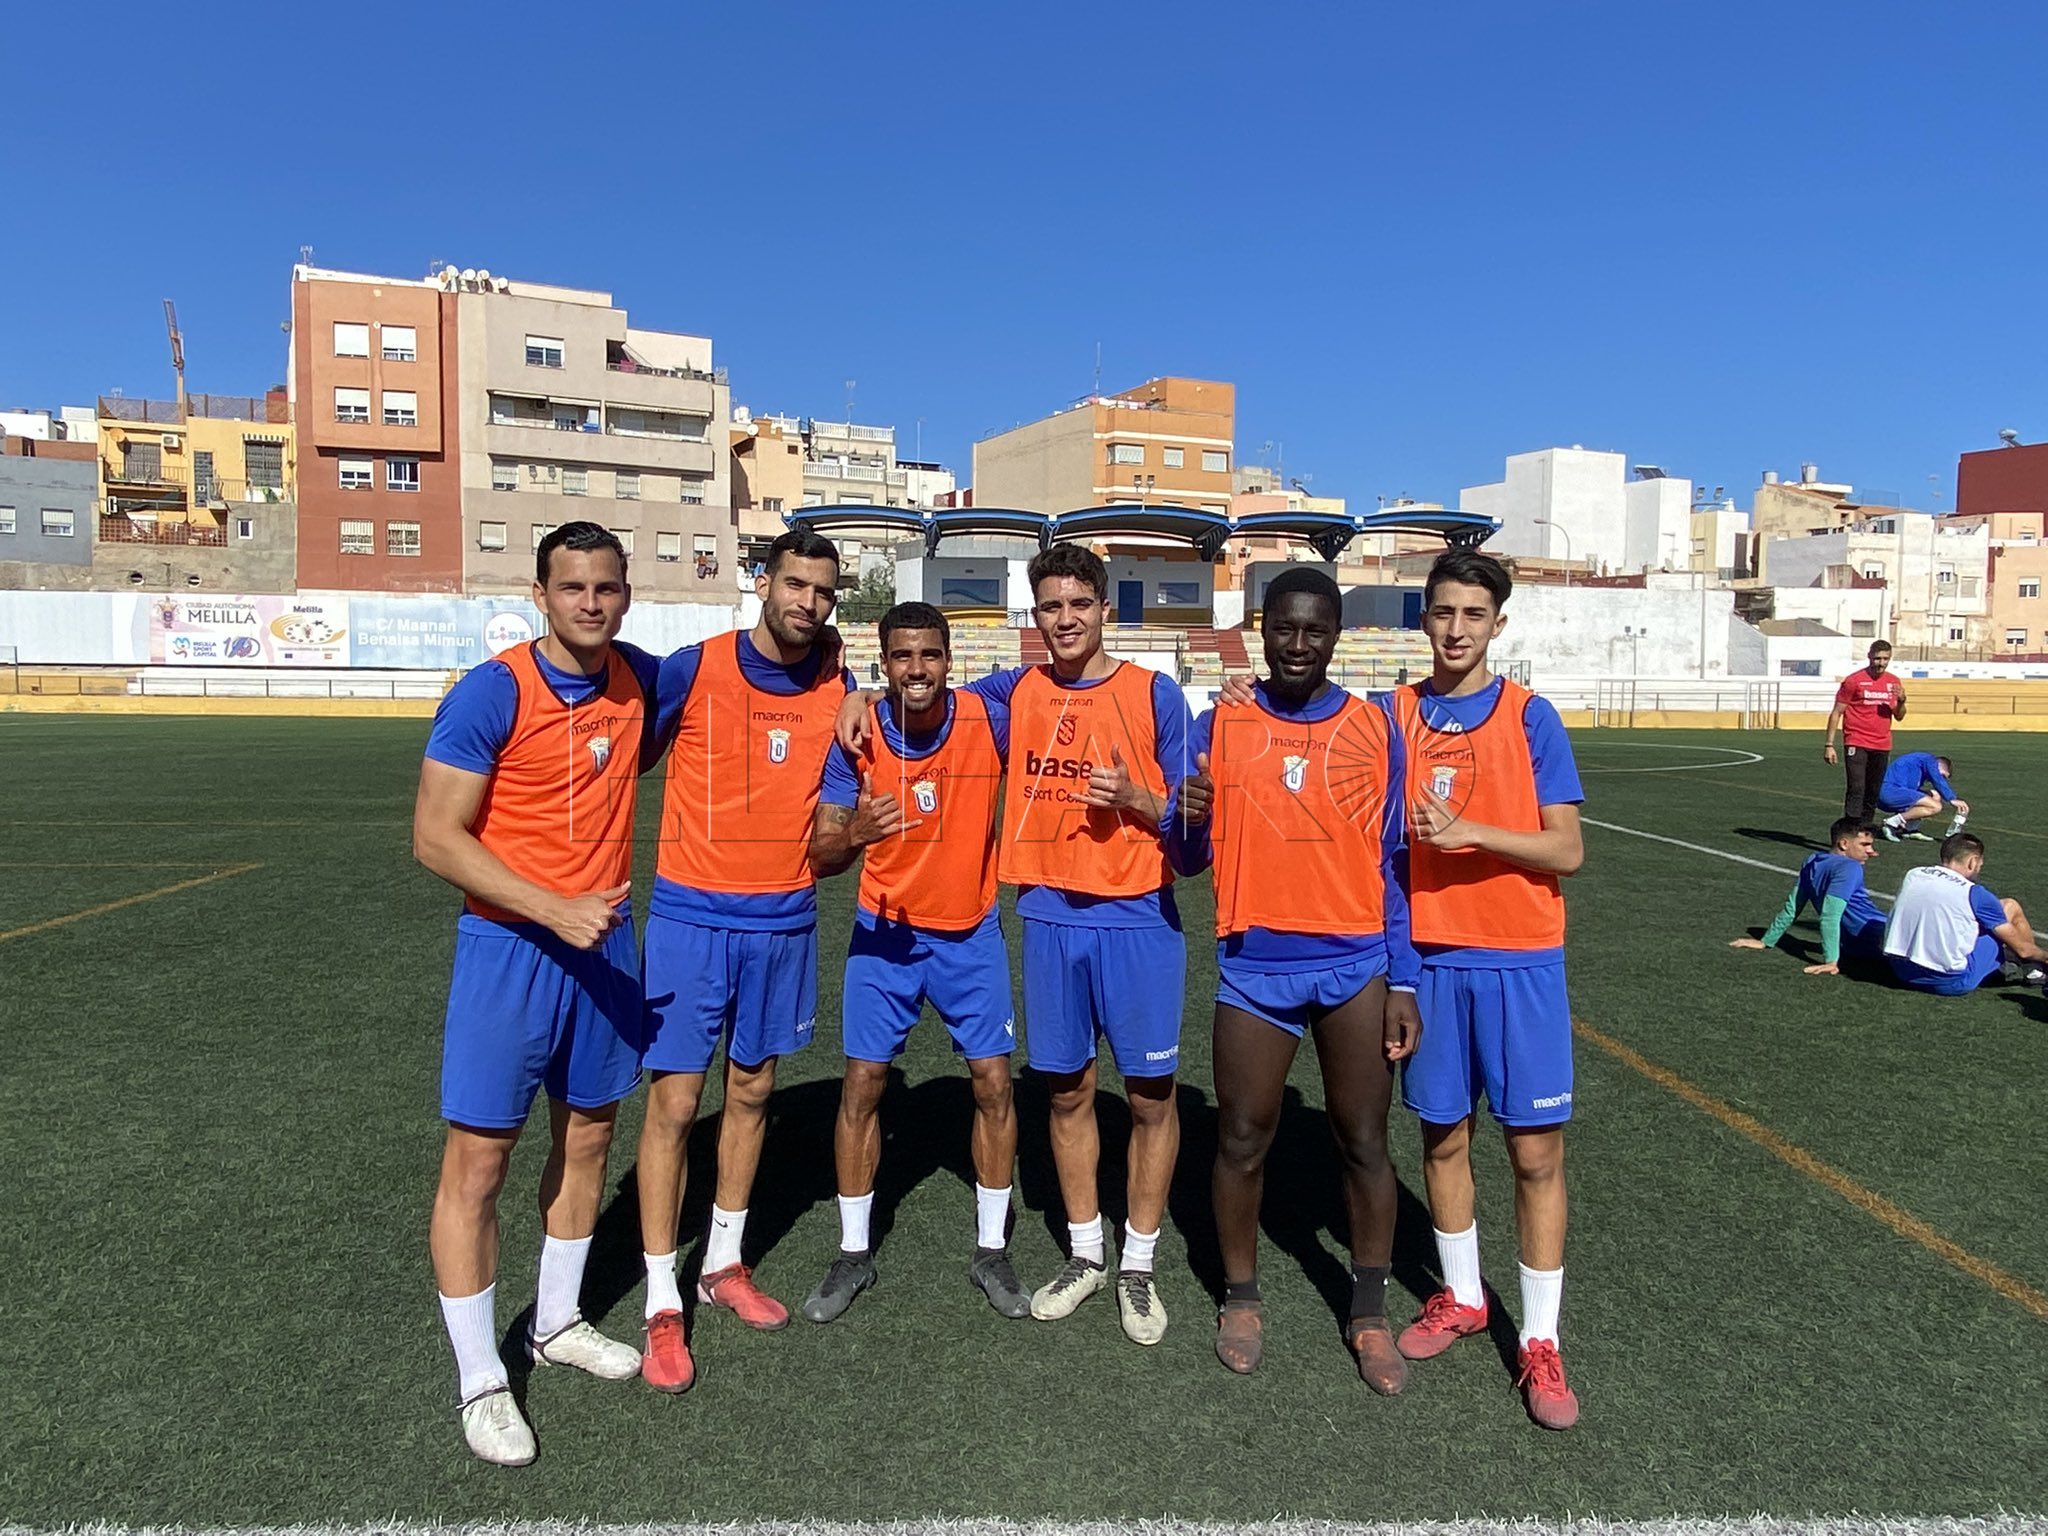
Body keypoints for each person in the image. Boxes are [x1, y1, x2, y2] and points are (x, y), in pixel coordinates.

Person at [836, 543, 1198, 1345]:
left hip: (1138, 916)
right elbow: (925, 689)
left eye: (1079, 604)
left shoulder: (1154, 694)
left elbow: (1195, 827)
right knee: (1065, 1092)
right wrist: (853, 692)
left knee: (1149, 1098)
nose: (1065, 620)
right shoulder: (1015, 692)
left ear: (1106, 608)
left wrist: (1140, 798)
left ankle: (1138, 1263)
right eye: (1050, 608)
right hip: (1046, 917)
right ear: (1036, 618)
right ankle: (1086, 1252)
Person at [412, 522, 657, 1466]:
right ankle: (481, 1378)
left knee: (591, 1134)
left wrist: (838, 665)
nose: (590, 603)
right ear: (541, 593)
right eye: (572, 588)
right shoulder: (491, 691)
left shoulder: (638, 682)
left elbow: (759, 658)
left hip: (603, 948)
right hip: (511, 947)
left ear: (624, 594)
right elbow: (436, 837)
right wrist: (551, 908)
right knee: (478, 1163)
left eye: (605, 587)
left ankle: (555, 1323)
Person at [1187, 567, 1422, 1391]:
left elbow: (1396, 861)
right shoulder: (1223, 722)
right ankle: (1240, 1297)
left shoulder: (1373, 728)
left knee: (1362, 1140)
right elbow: (1188, 849)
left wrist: (1406, 977)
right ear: (1260, 629)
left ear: (1335, 636)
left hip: (1356, 964)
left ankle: (1367, 1312)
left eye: (1313, 631)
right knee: (1241, 1140)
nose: (1296, 645)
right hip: (1255, 967)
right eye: (1282, 629)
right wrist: (1182, 810)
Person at [634, 528, 851, 1392]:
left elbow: (834, 812)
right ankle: (660, 1300)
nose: (806, 602)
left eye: (823, 593)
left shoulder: (837, 683)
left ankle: (723, 1267)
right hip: (690, 917)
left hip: (785, 921)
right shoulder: (694, 667)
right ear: (763, 583)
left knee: (752, 1090)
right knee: (676, 1105)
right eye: (794, 584)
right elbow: (625, 746)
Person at [1389, 550, 1586, 1431]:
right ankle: (1463, 1297)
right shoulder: (1393, 715)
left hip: (1521, 961)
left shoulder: (1531, 717)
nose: (1457, 629)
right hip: (1431, 961)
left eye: (1474, 614)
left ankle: (1539, 1339)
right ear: (1423, 620)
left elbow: (1566, 850)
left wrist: (1470, 833)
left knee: (1535, 1154)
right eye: (1443, 613)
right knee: (1443, 1139)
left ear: (1497, 625)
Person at [801, 602, 1029, 1322]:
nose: (917, 670)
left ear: (950, 658)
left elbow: (1066, 678)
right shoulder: (858, 739)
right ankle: (852, 1253)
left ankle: (992, 1249)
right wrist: (857, 834)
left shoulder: (987, 719)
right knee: (862, 1085)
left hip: (970, 935)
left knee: (994, 1084)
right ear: (885, 660)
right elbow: (820, 854)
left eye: (930, 655)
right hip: (884, 940)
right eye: (902, 657)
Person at [1883, 832, 2047, 995]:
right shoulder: (1975, 893)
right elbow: (2024, 950)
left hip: (1902, 971)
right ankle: (2034, 971)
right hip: (1950, 981)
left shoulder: (1914, 874)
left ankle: (2004, 964)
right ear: (1973, 861)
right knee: (2010, 908)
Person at [1729, 817, 1886, 975]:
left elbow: (1792, 907)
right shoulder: (1850, 867)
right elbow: (1830, 916)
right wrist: (1831, 961)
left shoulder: (1812, 861)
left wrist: (1766, 941)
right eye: (1865, 844)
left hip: (1856, 947)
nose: (1871, 851)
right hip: (1882, 938)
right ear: (1844, 844)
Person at [1824, 642, 1906, 825]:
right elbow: (1837, 712)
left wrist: (1901, 701)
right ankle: (1850, 829)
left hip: (1882, 743)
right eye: (1877, 658)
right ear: (1869, 657)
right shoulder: (1854, 680)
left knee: (1873, 790)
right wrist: (1829, 745)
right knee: (1857, 787)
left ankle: (1864, 830)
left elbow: (1899, 716)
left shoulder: (1893, 682)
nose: (1881, 663)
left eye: (1885, 659)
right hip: (1857, 740)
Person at [1874, 751, 1967, 843]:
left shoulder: (1917, 770)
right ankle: (1891, 823)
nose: (1941, 779)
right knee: (1935, 806)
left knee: (1934, 795)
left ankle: (1909, 829)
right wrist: (1952, 798)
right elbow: (1937, 779)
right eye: (1942, 775)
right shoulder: (1929, 760)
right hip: (1888, 792)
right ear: (1937, 766)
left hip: (1889, 793)